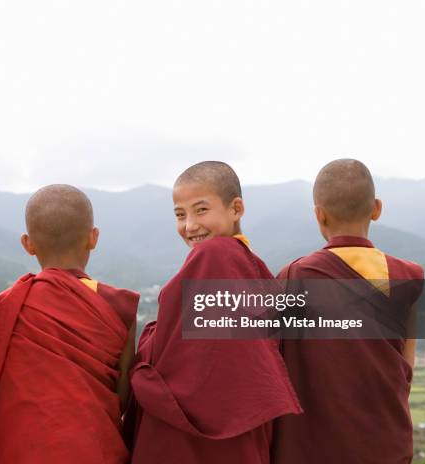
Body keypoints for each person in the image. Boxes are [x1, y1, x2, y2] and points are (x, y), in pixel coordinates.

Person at [128, 161, 302, 464]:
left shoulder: (213, 256)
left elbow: (168, 350)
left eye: (201, 210)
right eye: (180, 215)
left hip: (193, 436)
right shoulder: (252, 264)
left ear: (236, 209)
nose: (190, 225)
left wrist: (148, 341)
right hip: (243, 425)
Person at [271, 159, 424, 464]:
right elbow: (404, 370)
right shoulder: (408, 277)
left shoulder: (293, 277)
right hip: (384, 445)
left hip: (311, 449)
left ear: (319, 214)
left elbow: (274, 366)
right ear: (377, 208)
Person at [0, 184, 139, 464]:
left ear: (27, 244)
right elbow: (123, 394)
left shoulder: (5, 307)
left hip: (17, 451)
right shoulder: (118, 306)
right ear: (94, 237)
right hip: (92, 448)